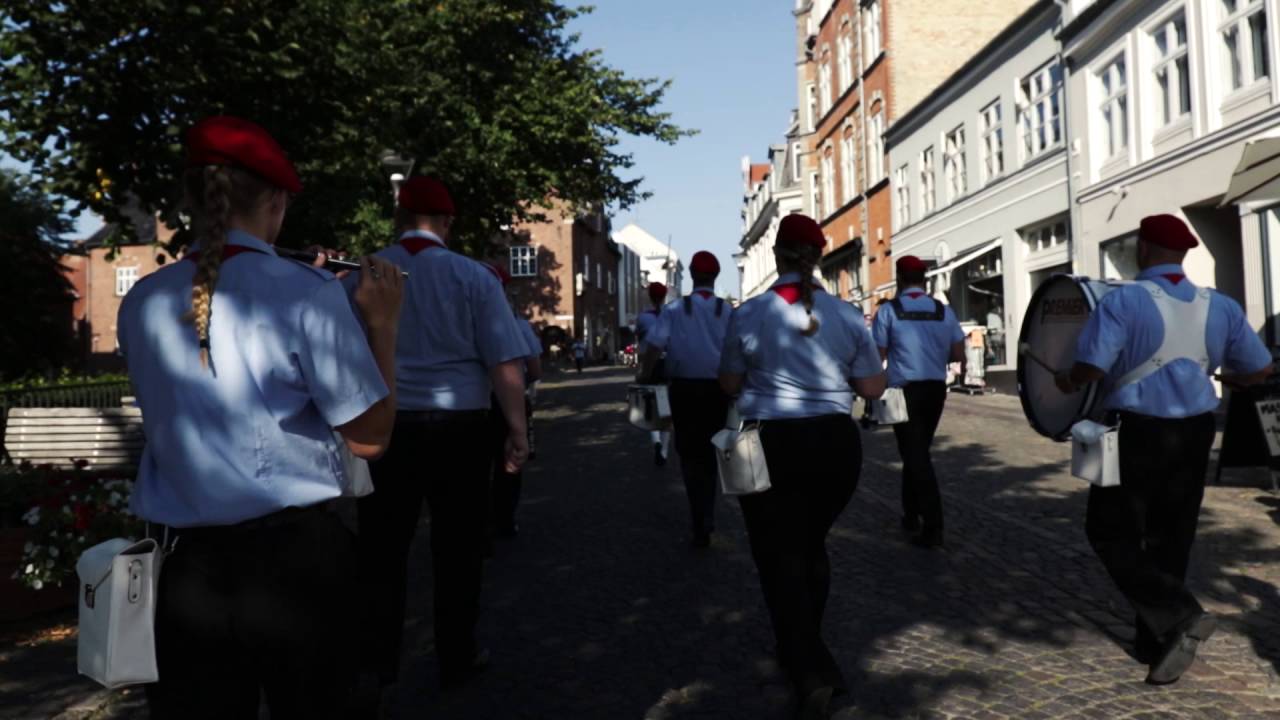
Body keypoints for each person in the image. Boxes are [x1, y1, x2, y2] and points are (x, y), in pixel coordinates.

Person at [117, 116, 403, 719]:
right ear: (274, 199)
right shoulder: (306, 292)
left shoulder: (141, 299)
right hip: (295, 566)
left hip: (186, 571)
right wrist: (382, 325)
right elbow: (370, 439)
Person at [1054, 214, 1272, 685]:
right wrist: (1222, 373)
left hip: (1135, 431)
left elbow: (1091, 367)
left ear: (1144, 250)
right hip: (1195, 433)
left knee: (1110, 531)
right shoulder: (1222, 306)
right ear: (1184, 254)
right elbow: (1258, 370)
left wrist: (1067, 378)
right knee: (1172, 535)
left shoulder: (1125, 300)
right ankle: (1155, 645)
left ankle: (1178, 616)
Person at [350, 177, 530, 693]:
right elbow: (504, 360)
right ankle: (457, 652)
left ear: (399, 218)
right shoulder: (473, 277)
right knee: (459, 548)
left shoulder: (362, 274)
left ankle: (379, 660)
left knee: (383, 550)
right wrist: (516, 429)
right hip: (461, 430)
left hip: (386, 427)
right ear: (447, 223)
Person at [719, 214, 886, 720]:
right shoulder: (848, 314)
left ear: (778, 256)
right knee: (810, 544)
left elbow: (727, 385)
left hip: (773, 439)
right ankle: (802, 646)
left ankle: (811, 667)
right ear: (817, 257)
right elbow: (873, 389)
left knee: (777, 554)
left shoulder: (750, 313)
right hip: (836, 444)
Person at [872, 255, 965, 549]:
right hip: (935, 390)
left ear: (899, 278)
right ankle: (910, 514)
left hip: (904, 391)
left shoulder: (889, 311)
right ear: (924, 280)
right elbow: (959, 355)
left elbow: (878, 355)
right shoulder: (944, 311)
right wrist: (934, 355)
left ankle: (933, 524)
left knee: (916, 456)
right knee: (917, 450)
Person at [641, 252, 732, 547]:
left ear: (692, 275)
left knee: (690, 454)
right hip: (719, 391)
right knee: (713, 451)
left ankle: (699, 515)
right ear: (716, 277)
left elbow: (654, 346)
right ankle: (707, 509)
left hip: (684, 389)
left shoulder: (675, 309)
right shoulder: (727, 310)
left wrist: (645, 375)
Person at [485, 261, 543, 538]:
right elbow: (535, 370)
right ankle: (504, 520)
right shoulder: (517, 325)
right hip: (508, 399)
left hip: (471, 405)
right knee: (510, 462)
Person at [636, 281, 672, 466]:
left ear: (650, 296)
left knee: (650, 410)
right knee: (666, 411)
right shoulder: (672, 315)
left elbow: (641, 342)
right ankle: (664, 451)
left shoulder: (643, 318)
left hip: (649, 366)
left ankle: (656, 442)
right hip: (667, 366)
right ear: (665, 296)